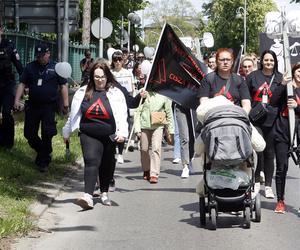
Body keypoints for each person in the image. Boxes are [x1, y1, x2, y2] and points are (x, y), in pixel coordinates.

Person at [62, 60, 128, 209]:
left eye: (103, 77)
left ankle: (104, 192)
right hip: (88, 132)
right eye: (97, 77)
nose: (100, 80)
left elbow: (122, 114)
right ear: (92, 77)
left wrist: (123, 133)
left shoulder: (115, 93)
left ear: (108, 77)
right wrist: (66, 132)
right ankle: (88, 196)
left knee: (107, 164)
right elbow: (73, 115)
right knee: (91, 160)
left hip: (109, 135)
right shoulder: (82, 92)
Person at [14, 43, 69, 172]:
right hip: (33, 105)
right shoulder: (30, 67)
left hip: (49, 106)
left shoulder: (56, 67)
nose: (40, 59)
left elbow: (64, 86)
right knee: (29, 134)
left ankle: (43, 162)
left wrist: (66, 104)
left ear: (48, 54)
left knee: (47, 132)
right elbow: (22, 84)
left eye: (42, 56)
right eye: (38, 56)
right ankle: (44, 151)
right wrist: (17, 100)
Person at [246, 49, 283, 198]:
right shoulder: (252, 76)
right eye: (266, 60)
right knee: (258, 150)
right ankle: (255, 181)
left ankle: (268, 186)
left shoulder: (280, 78)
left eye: (271, 60)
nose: (269, 63)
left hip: (273, 120)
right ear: (261, 61)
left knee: (269, 153)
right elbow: (246, 97)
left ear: (275, 62)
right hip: (255, 119)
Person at [270, 62, 300, 213]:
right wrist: (282, 84)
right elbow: (273, 101)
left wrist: (297, 106)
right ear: (294, 72)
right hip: (283, 131)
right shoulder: (286, 86)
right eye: (298, 71)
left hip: (299, 133)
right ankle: (280, 200)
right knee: (282, 167)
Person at [134, 92, 174, 183]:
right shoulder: (142, 92)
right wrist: (137, 129)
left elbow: (169, 113)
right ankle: (146, 170)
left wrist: (171, 130)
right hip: (144, 126)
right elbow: (137, 112)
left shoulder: (164, 95)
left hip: (158, 126)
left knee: (156, 148)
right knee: (144, 149)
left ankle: (154, 174)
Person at [198, 48, 251, 114]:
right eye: (222, 60)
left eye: (228, 60)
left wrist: (241, 116)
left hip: (235, 119)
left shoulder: (239, 80)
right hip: (214, 118)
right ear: (217, 61)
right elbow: (203, 102)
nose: (225, 62)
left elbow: (246, 103)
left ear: (232, 62)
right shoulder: (208, 79)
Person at [0, 24, 23, 149]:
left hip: (7, 84)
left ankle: (7, 144)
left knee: (6, 112)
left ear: (1, 30)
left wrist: (26, 82)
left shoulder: (9, 45)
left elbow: (18, 65)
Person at [110, 51, 135, 164]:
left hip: (124, 104)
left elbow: (132, 89)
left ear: (123, 61)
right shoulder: (110, 73)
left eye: (120, 60)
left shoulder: (128, 73)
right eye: (115, 60)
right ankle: (114, 149)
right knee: (113, 127)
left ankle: (120, 153)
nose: (118, 62)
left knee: (123, 127)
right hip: (112, 103)